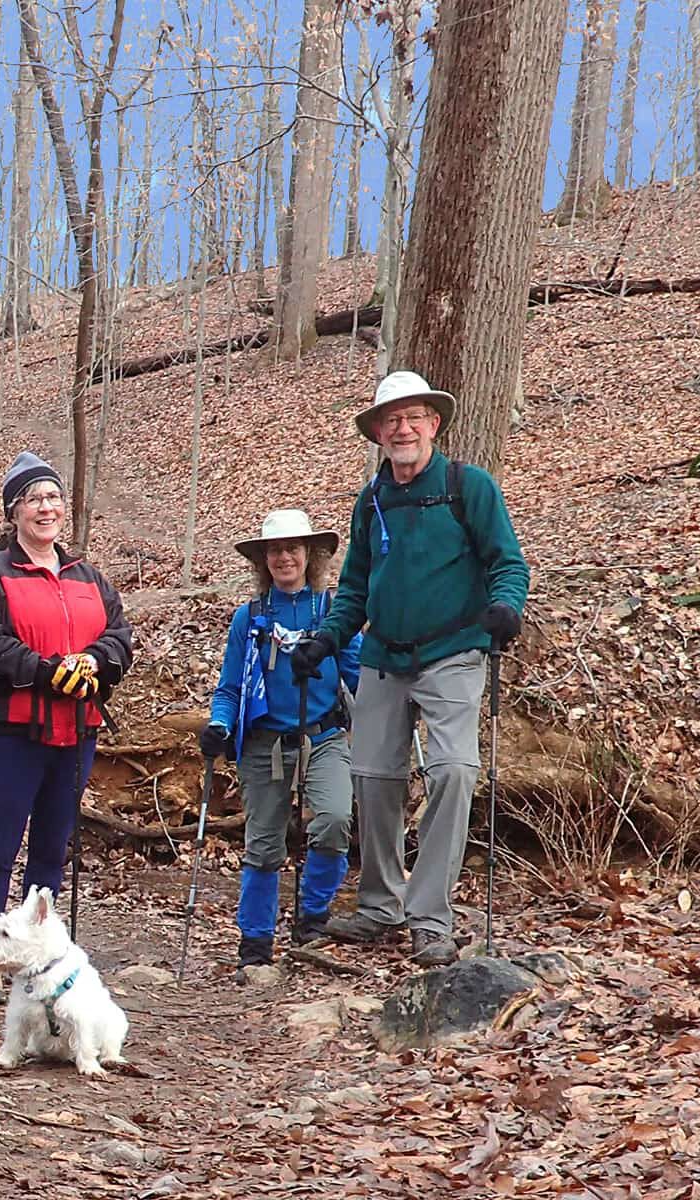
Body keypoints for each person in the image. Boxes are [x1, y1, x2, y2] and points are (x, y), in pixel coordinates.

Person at [293, 370, 529, 967]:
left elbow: (508, 561)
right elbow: (353, 586)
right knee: (372, 777)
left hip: (453, 650)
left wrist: (505, 608)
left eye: (413, 417)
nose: (402, 428)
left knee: (452, 771)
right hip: (382, 655)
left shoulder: (467, 486)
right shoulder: (371, 501)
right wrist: (326, 640)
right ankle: (379, 905)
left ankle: (430, 917)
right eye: (390, 419)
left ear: (434, 423)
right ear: (377, 431)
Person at [0, 451, 132, 1005]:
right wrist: (45, 670)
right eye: (34, 499)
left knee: (51, 851)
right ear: (14, 511)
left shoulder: (88, 576)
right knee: (0, 847)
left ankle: (42, 964)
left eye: (53, 497)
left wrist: (94, 662)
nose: (46, 507)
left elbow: (120, 636)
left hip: (76, 731)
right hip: (11, 733)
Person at [201, 510, 363, 977]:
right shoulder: (249, 618)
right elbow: (231, 686)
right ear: (263, 559)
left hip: (323, 735)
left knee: (334, 820)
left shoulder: (332, 611)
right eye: (275, 549)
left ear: (310, 554)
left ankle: (313, 917)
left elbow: (356, 673)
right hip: (264, 744)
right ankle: (255, 941)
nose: (284, 557)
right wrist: (219, 725)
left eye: (293, 548)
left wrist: (391, 702)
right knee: (264, 846)